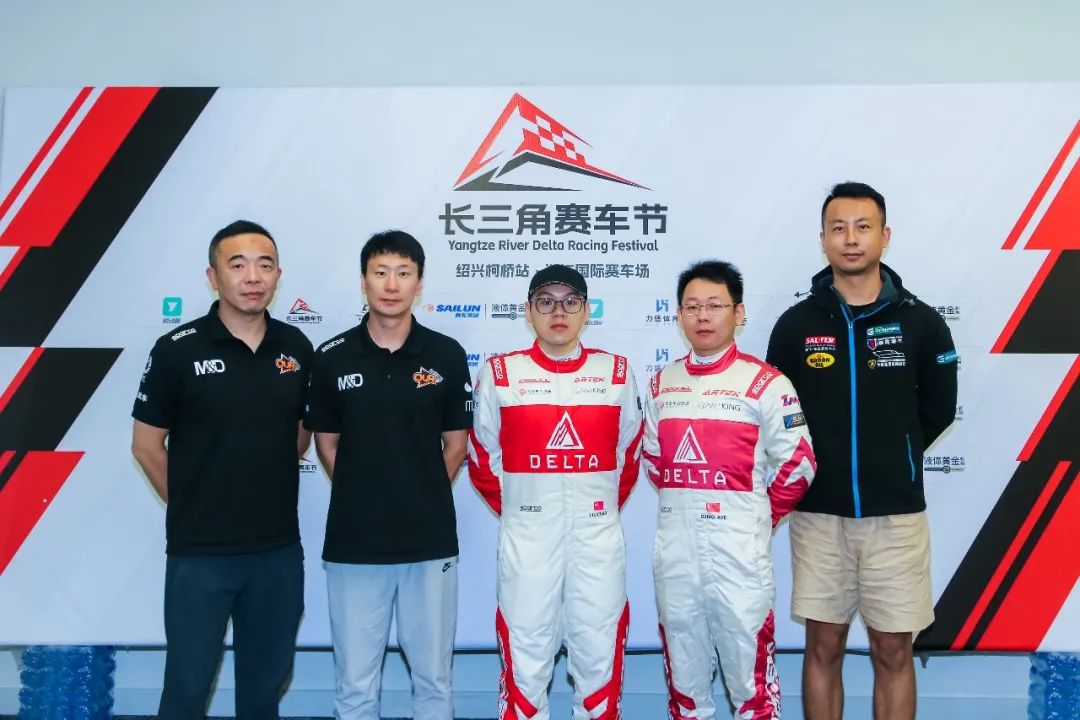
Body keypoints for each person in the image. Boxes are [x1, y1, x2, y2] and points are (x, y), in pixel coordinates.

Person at [766, 181, 958, 720]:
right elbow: (778, 415)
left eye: (863, 227)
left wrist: (894, 456)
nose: (851, 239)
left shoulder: (921, 322)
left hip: (896, 517)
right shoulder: (796, 325)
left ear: (884, 236)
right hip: (818, 515)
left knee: (893, 649)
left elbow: (938, 411)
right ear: (823, 240)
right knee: (823, 647)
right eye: (839, 228)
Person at [131, 220, 312, 720]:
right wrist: (194, 506)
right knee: (186, 691)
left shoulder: (297, 348)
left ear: (278, 276)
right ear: (213, 277)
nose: (253, 276)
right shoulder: (177, 349)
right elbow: (146, 445)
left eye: (264, 265)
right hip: (200, 556)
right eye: (238, 265)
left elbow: (301, 434)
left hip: (276, 553)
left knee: (263, 691)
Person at [304, 230, 472, 720]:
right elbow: (326, 444)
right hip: (355, 542)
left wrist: (419, 496)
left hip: (429, 540)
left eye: (403, 273)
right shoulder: (332, 356)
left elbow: (456, 446)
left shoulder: (445, 354)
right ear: (364, 281)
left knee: (433, 678)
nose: (392, 285)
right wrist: (364, 495)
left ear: (419, 282)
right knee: (355, 682)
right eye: (381, 273)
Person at [468, 264, 644, 720]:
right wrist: (525, 510)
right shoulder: (501, 373)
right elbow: (482, 457)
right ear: (528, 311)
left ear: (587, 310)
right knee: (525, 654)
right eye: (546, 302)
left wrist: (593, 509)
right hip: (528, 538)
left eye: (570, 302)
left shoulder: (616, 373)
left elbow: (629, 456)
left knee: (599, 654)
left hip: (597, 539)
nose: (558, 312)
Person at [643, 260, 816, 720]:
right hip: (676, 555)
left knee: (752, 689)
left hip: (739, 554)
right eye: (692, 306)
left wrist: (756, 515)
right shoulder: (661, 384)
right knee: (685, 689)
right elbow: (654, 462)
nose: (703, 316)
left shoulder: (767, 384)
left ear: (738, 313)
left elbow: (799, 464)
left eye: (715, 306)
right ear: (679, 315)